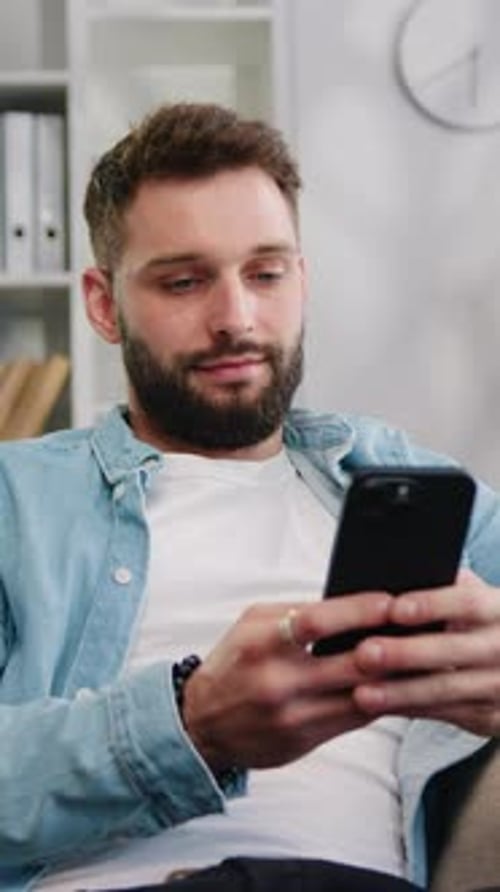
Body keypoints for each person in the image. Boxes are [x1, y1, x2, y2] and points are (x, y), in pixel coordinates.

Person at [1, 102, 500, 892]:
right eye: (183, 281)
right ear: (104, 304)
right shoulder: (16, 500)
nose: (236, 318)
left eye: (265, 273)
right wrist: (190, 724)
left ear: (301, 278)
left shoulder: (409, 480)